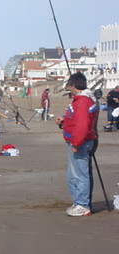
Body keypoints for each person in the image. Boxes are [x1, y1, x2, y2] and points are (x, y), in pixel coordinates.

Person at [56, 72, 98, 217]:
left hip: (80, 143)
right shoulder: (83, 101)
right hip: (80, 142)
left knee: (79, 174)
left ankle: (82, 205)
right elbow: (79, 121)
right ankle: (79, 202)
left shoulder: (82, 102)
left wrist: (76, 143)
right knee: (74, 174)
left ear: (74, 85)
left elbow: (82, 125)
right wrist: (64, 120)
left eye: (69, 85)